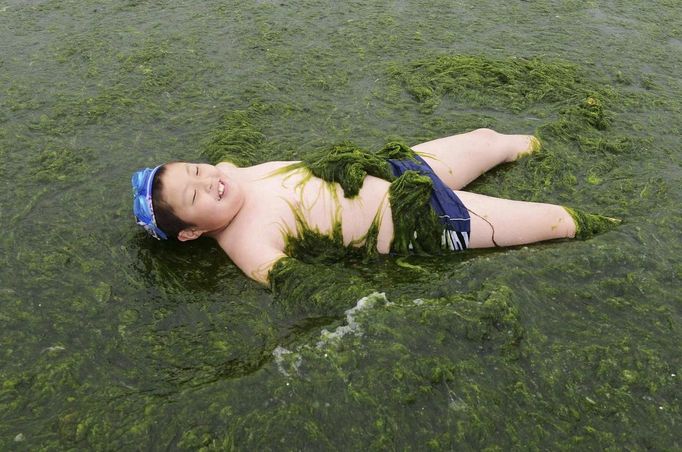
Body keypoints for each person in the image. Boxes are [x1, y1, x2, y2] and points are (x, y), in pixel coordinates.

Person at [132, 129, 619, 286]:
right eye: (195, 196)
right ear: (191, 233)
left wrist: (206, 173)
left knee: (491, 140)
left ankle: (569, 140)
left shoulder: (229, 173)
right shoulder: (245, 242)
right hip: (424, 221)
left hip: (396, 170)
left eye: (197, 169)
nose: (209, 181)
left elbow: (224, 158)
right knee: (553, 220)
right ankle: (627, 229)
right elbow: (294, 282)